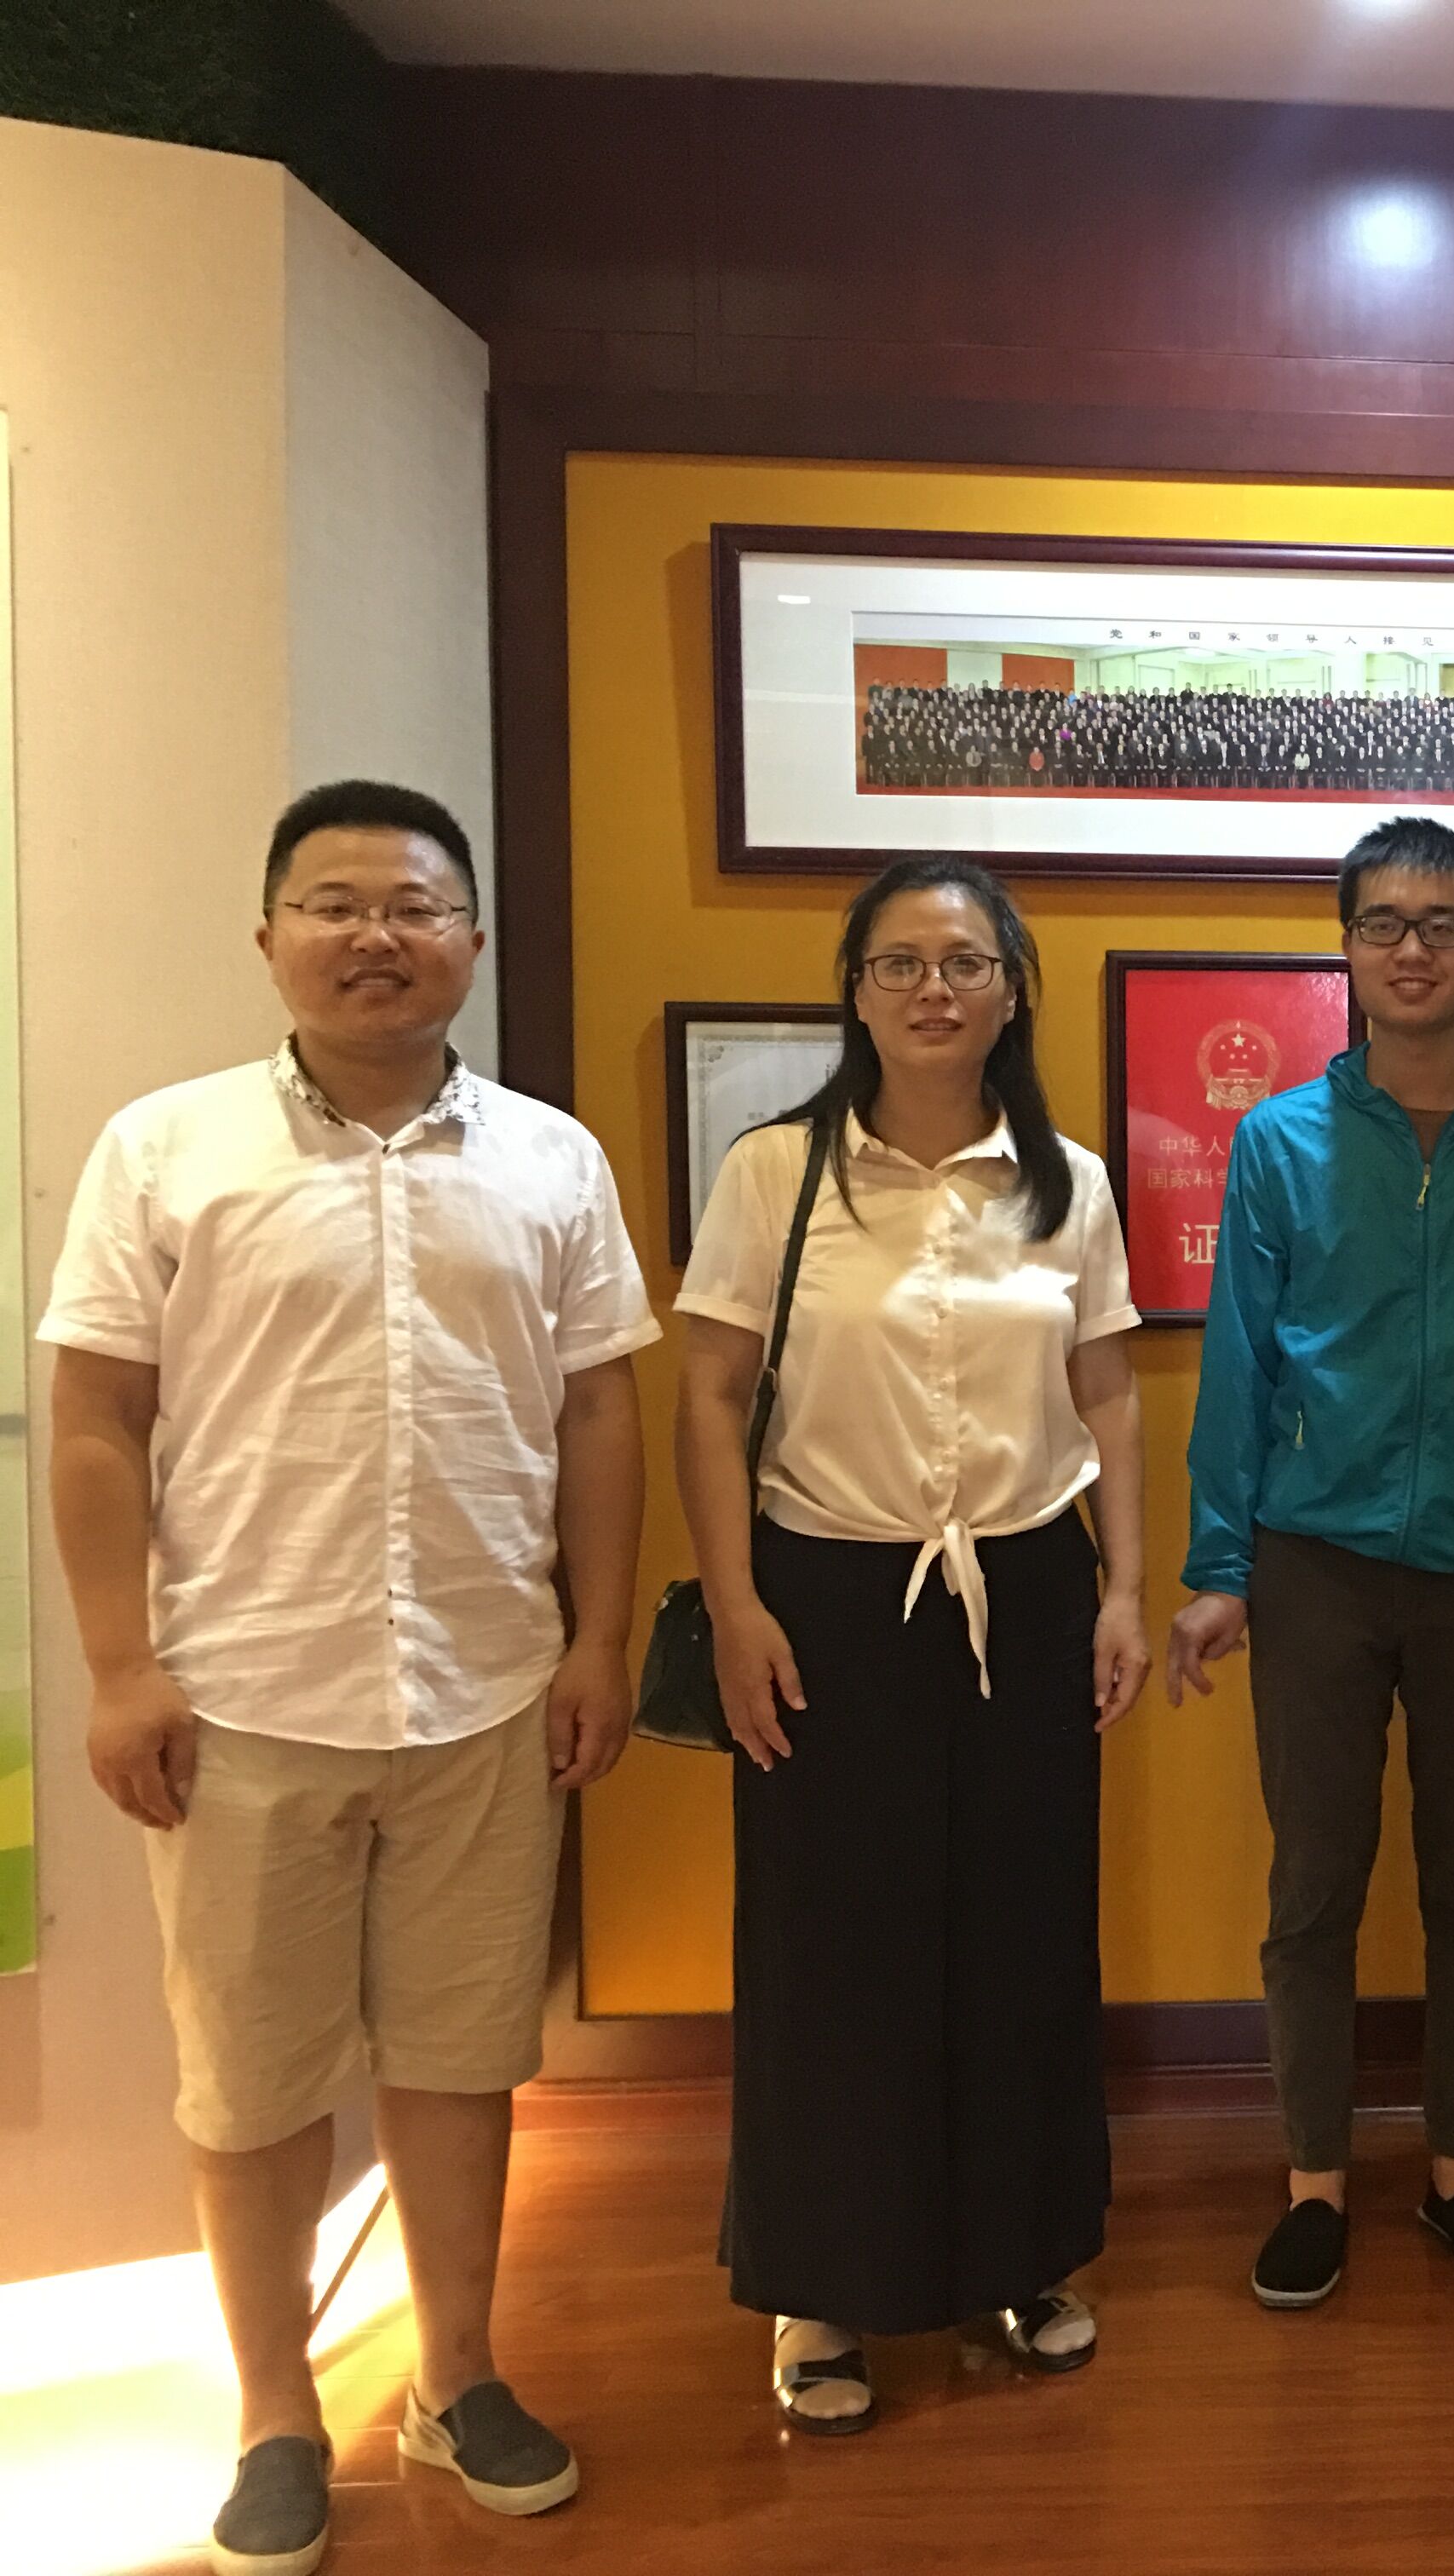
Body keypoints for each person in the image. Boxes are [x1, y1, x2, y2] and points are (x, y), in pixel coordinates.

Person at [45, 780, 652, 2576]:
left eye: (412, 905)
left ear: (470, 939)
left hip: (485, 1683)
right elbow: (96, 1419)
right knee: (251, 2083)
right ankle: (274, 2413)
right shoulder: (166, 1147)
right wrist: (117, 1665)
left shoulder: (551, 1159)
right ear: (270, 938)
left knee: (465, 2062)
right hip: (241, 1695)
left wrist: (601, 1639)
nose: (375, 936)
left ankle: (458, 2376)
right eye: (334, 904)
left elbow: (598, 1413)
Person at [673, 856, 1147, 2435]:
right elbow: (710, 1397)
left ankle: (1021, 2255)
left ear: (1012, 989)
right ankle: (824, 2286)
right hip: (825, 1597)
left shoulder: (1068, 1184)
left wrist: (1126, 1589)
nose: (933, 988)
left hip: (1027, 1589)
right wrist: (735, 1604)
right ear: (857, 991)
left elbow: (1107, 1393)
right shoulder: (777, 1174)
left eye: (964, 961)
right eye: (900, 963)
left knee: (1022, 1939)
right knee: (835, 1951)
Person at [1162, 818, 1454, 2310]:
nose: (1413, 948)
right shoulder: (1282, 1142)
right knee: (1314, 1884)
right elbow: (1240, 1363)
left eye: (1441, 923)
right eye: (1383, 923)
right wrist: (1221, 1566)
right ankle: (1314, 2178)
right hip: (1317, 1564)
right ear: (1348, 948)